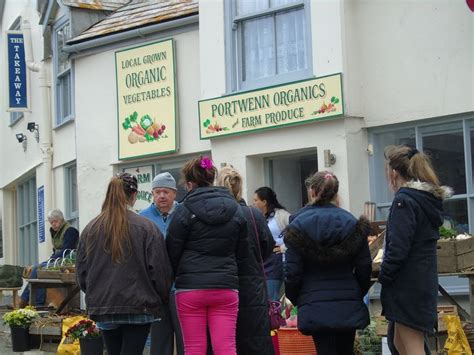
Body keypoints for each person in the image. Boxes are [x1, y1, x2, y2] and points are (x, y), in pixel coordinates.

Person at [76, 173, 172, 355]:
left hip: (104, 304)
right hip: (139, 305)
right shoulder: (147, 228)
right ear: (134, 195)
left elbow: (81, 274)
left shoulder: (91, 229)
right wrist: (160, 298)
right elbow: (160, 272)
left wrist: (97, 293)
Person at [166, 156, 248, 355]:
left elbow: (172, 251)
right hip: (226, 286)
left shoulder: (183, 210)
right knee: (226, 348)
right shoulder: (235, 210)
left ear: (190, 183)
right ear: (212, 179)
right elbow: (242, 252)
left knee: (194, 348)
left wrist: (177, 276)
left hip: (190, 288)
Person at [284, 171, 372, 355]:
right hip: (347, 298)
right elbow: (364, 266)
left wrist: (297, 297)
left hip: (313, 300)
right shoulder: (351, 222)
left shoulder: (298, 225)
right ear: (335, 192)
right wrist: (356, 290)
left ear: (312, 192)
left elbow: (292, 271)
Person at [379, 145, 452, 355]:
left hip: (406, 286)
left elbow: (397, 249)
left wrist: (383, 275)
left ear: (394, 172)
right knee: (399, 343)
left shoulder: (404, 200)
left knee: (411, 348)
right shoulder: (424, 200)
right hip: (421, 282)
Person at [216, 166, 275, 355]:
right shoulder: (253, 214)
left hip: (223, 285)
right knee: (255, 342)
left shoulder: (216, 215)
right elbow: (267, 247)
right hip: (253, 289)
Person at [140, 172, 184, 355]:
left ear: (174, 193)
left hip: (181, 286)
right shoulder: (143, 218)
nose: (161, 196)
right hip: (155, 289)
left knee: (185, 338)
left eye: (166, 191)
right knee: (159, 340)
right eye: (157, 192)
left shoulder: (184, 213)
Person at [20, 209, 79, 307]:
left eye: (55, 221)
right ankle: (27, 302)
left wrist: (50, 261)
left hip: (68, 262)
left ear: (62, 220)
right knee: (36, 269)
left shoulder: (70, 231)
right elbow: (56, 251)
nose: (53, 224)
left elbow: (66, 251)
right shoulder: (55, 232)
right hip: (58, 260)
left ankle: (34, 303)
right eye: (51, 222)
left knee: (37, 269)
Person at [253, 186, 290, 301]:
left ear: (264, 202)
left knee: (272, 298)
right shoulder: (258, 217)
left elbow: (297, 235)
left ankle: (277, 319)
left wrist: (284, 247)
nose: (253, 203)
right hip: (264, 263)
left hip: (280, 262)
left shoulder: (282, 215)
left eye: (256, 200)